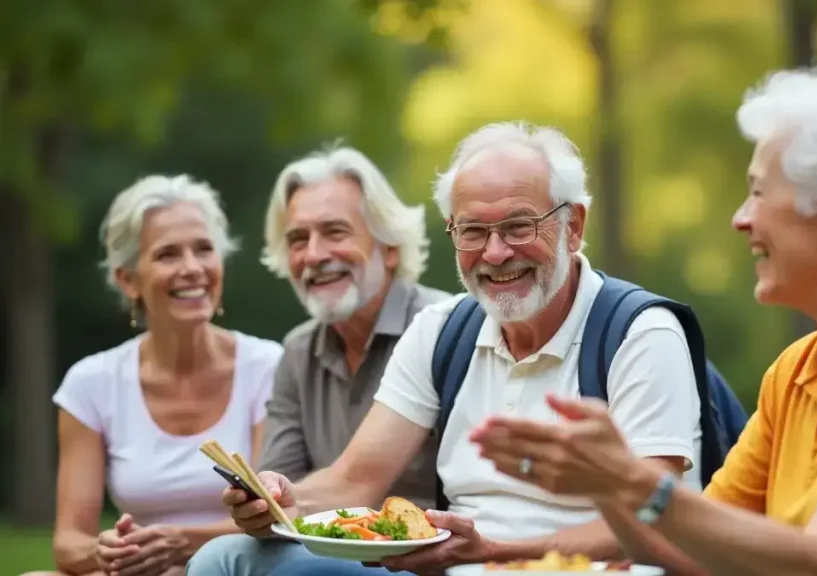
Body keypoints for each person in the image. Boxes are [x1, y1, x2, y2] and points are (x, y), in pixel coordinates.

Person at [469, 64, 817, 575]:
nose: (741, 218)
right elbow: (689, 553)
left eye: (759, 192)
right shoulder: (797, 372)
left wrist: (630, 479)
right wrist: (607, 484)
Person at [212, 121, 707, 576]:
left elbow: (656, 522)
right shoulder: (441, 330)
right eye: (472, 231)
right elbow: (353, 482)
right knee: (228, 557)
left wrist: (493, 550)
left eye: (519, 226)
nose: (494, 253)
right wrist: (280, 502)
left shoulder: (639, 334)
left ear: (573, 226)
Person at [184, 144, 450, 575]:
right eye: (297, 239)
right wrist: (264, 503)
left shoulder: (445, 328)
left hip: (427, 564)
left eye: (335, 232)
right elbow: (283, 500)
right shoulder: (298, 350)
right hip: (329, 558)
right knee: (229, 553)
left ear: (391, 247)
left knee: (242, 562)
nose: (313, 254)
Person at [26, 175, 284, 576]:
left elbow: (277, 514)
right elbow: (69, 542)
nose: (193, 268)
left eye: (204, 249)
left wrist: (178, 544)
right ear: (127, 280)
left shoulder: (269, 366)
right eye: (168, 255)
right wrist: (110, 549)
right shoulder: (90, 383)